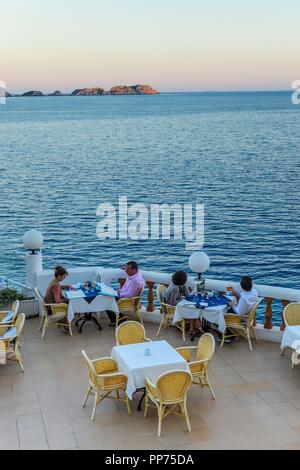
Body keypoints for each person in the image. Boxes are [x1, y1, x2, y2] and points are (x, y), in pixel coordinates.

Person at [106, 261, 145, 326]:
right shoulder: (135, 275)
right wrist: (125, 267)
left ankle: (115, 321)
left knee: (107, 300)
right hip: (123, 296)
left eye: (127, 269)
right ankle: (120, 317)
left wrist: (118, 294)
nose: (126, 270)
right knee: (109, 295)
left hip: (127, 300)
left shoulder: (135, 281)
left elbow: (129, 295)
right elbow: (126, 268)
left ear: (134, 269)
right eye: (125, 269)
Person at [163, 271, 198, 335]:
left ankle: (193, 327)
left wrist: (185, 287)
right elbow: (172, 303)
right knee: (192, 310)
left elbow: (188, 296)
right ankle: (193, 328)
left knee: (192, 309)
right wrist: (182, 299)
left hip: (174, 306)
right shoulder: (175, 288)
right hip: (170, 309)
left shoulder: (178, 285)